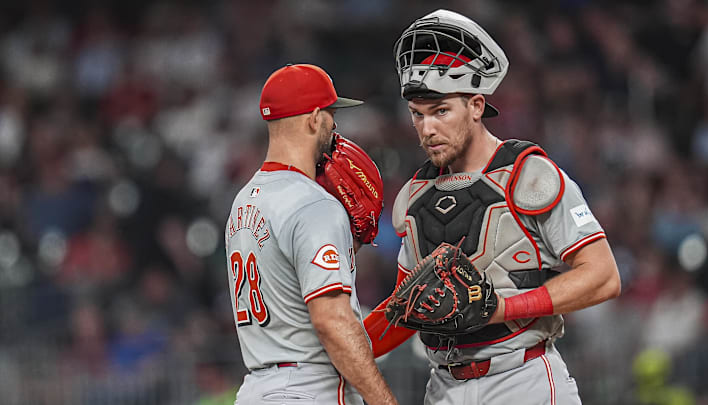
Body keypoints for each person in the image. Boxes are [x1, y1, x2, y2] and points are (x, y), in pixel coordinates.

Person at [363, 9, 622, 404]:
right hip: (443, 386)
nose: (427, 128)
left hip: (523, 378)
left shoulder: (530, 175)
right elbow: (407, 306)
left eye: (441, 111)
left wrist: (501, 307)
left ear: (477, 106)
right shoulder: (413, 197)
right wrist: (340, 348)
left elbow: (603, 276)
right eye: (417, 114)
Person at [225, 64, 397, 405]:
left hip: (257, 389)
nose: (335, 126)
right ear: (314, 118)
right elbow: (331, 321)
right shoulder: (314, 204)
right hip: (309, 388)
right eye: (332, 115)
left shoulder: (244, 200)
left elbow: (288, 280)